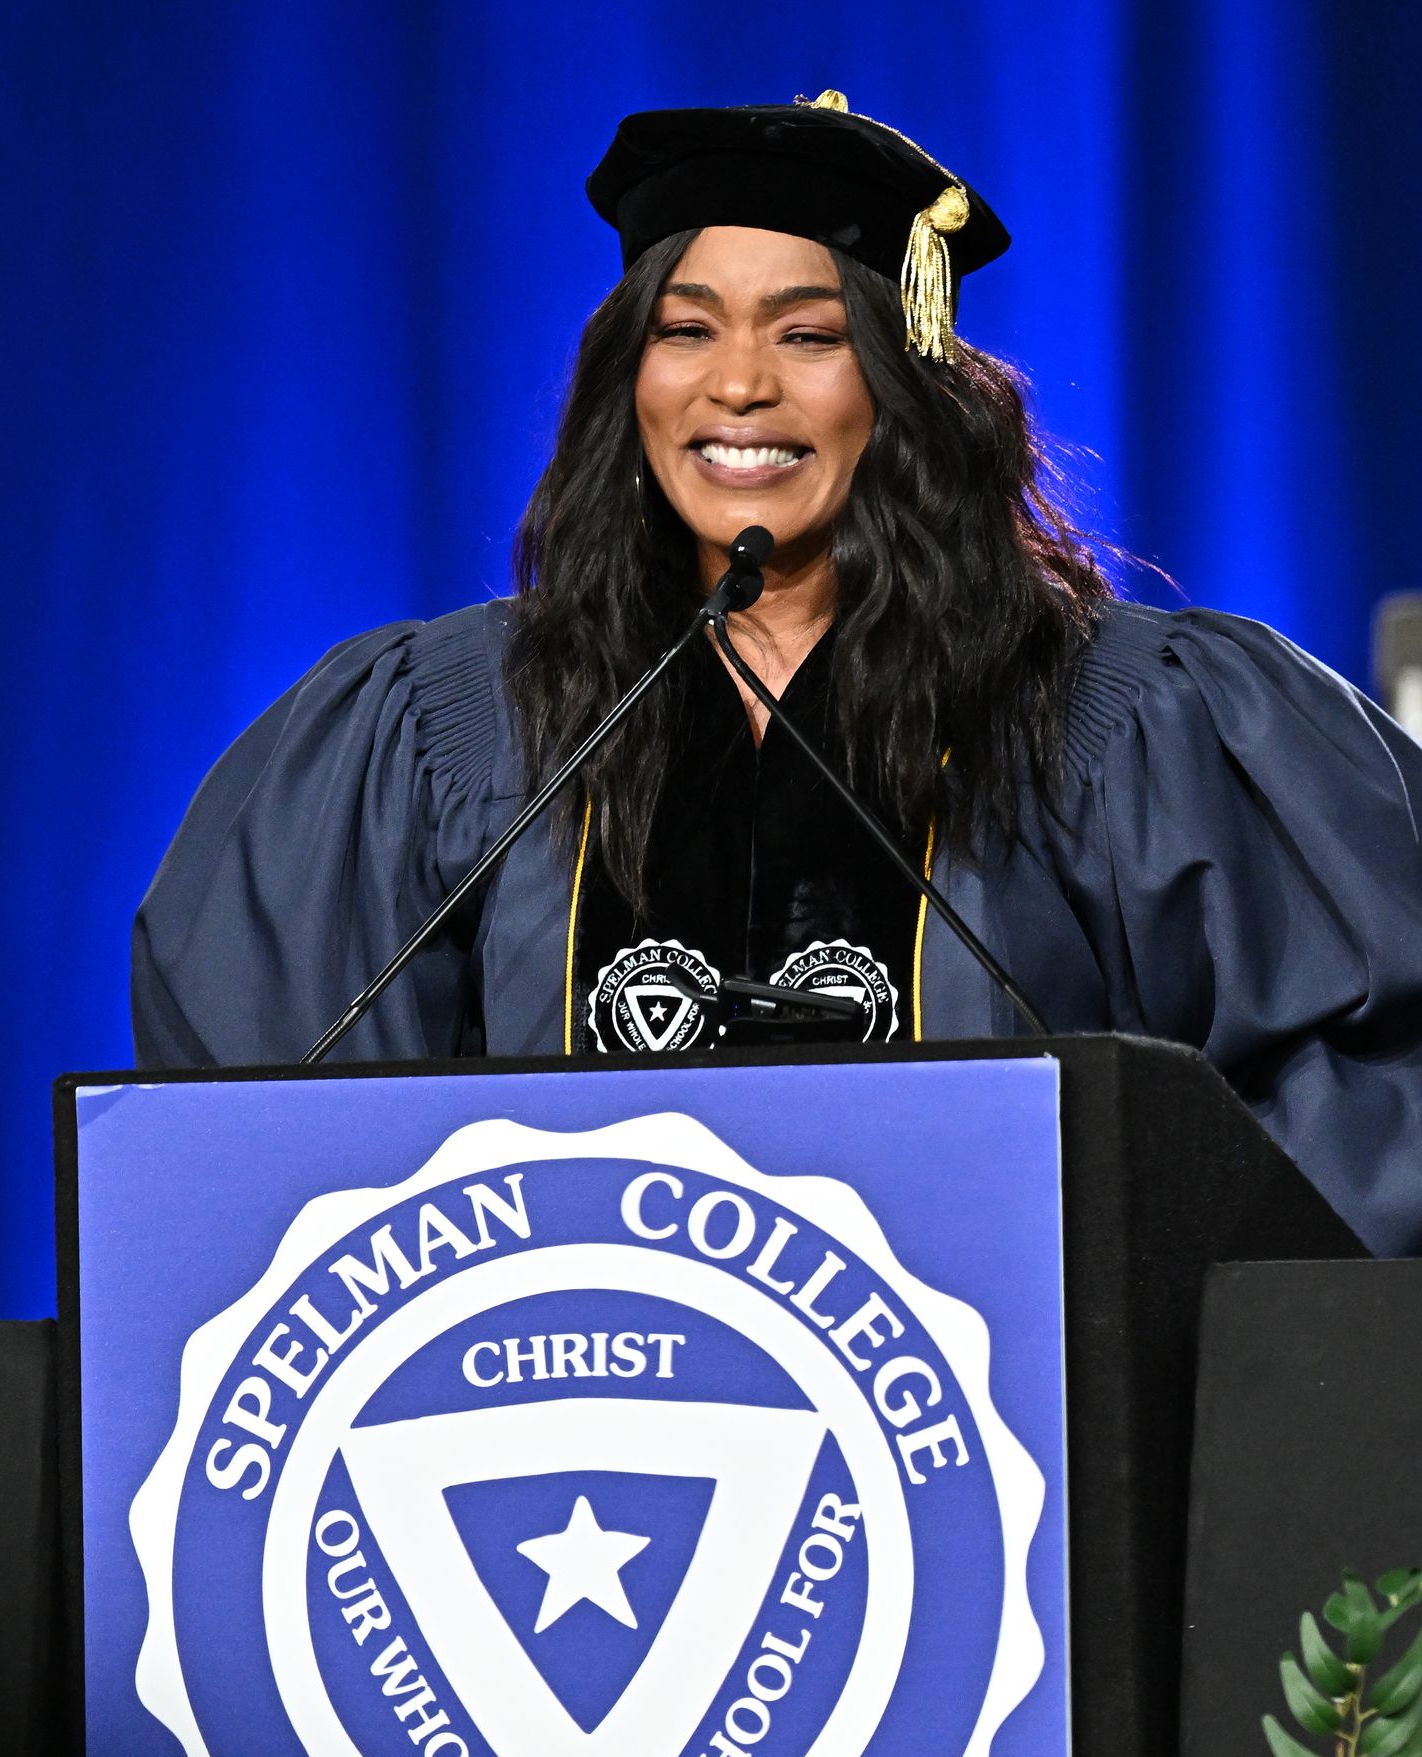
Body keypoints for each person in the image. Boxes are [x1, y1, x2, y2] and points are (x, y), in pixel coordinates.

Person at [132, 93, 1422, 1256]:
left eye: (808, 337)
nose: (738, 385)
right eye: (686, 330)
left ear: (909, 383)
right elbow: (270, 1134)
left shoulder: (1116, 715)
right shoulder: (452, 729)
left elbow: (1356, 1108)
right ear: (627, 378)